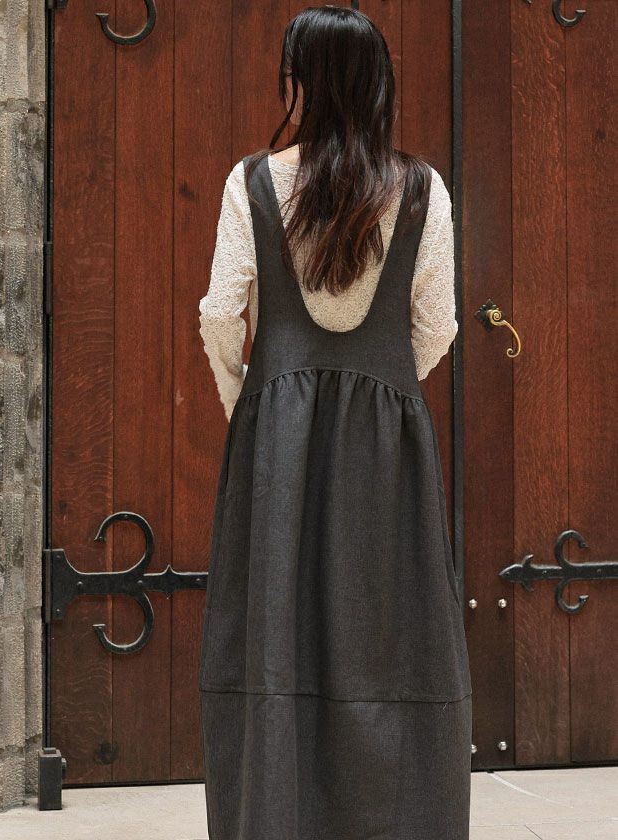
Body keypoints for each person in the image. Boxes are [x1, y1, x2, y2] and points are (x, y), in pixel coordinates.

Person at [197, 6, 472, 839]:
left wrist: (255, 404)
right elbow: (437, 328)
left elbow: (220, 314)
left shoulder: (252, 182)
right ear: (378, 82)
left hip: (276, 440)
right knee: (390, 636)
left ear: (300, 81)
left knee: (274, 637)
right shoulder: (421, 190)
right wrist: (383, 388)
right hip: (389, 443)